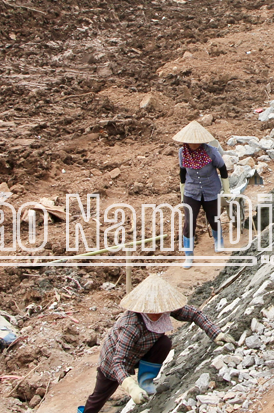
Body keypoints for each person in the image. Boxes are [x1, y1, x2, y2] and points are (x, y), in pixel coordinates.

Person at [79, 275, 235, 412]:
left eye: (160, 309)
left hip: (142, 350)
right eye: (153, 311)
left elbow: (194, 313)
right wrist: (130, 387)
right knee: (100, 395)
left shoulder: (164, 309)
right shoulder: (131, 326)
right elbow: (118, 362)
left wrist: (216, 333)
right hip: (114, 359)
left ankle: (145, 382)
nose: (157, 313)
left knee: (164, 343)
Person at [174, 120, 229, 269]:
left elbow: (223, 169)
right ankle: (189, 255)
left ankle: (218, 241)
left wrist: (227, 191)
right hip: (191, 191)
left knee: (213, 217)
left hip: (211, 188)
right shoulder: (182, 153)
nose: (192, 145)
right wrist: (182, 193)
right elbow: (182, 173)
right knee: (189, 222)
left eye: (195, 142)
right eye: (190, 142)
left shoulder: (211, 151)